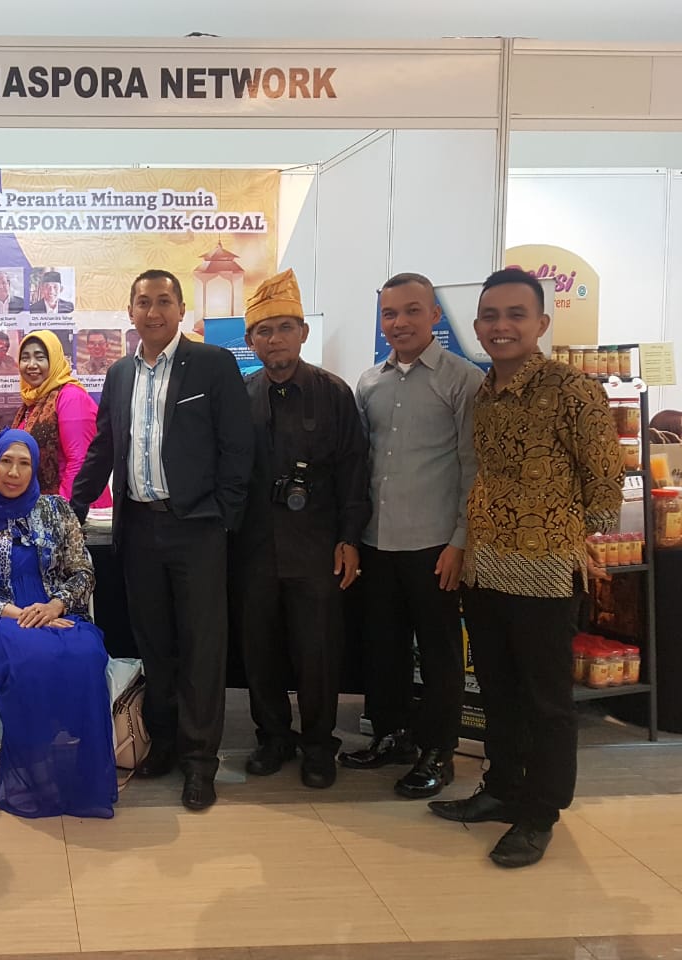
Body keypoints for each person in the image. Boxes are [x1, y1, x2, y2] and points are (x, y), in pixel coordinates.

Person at [430, 268, 623, 868]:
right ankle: (501, 788)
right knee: (498, 690)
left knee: (546, 701)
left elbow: (605, 484)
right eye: (490, 316)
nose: (501, 326)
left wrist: (566, 535)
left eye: (515, 315)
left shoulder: (573, 391)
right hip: (485, 569)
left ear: (540, 323)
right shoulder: (485, 391)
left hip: (544, 574)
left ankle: (540, 811)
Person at [72, 269, 252, 811]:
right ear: (131, 311)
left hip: (197, 528)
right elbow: (104, 448)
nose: (154, 312)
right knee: (155, 645)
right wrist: (72, 508)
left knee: (202, 647)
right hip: (139, 529)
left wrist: (224, 518)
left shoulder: (213, 364)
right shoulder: (120, 374)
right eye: (144, 302)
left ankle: (200, 762)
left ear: (180, 310)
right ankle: (164, 744)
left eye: (164, 302)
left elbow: (237, 448)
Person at [340, 272, 484, 800]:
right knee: (383, 647)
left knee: (440, 652)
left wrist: (460, 541)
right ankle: (391, 735)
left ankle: (438, 751)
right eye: (389, 313)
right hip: (378, 541)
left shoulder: (463, 380)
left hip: (434, 544)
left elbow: (472, 466)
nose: (399, 322)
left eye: (411, 311)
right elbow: (360, 466)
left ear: (435, 316)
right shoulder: (368, 383)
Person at [235, 268, 370, 790]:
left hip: (317, 548)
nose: (276, 339)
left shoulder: (333, 393)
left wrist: (350, 538)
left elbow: (355, 471)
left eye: (286, 328)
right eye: (264, 331)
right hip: (253, 549)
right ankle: (273, 738)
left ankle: (318, 744)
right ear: (251, 341)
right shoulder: (240, 395)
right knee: (260, 652)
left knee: (318, 653)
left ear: (304, 333)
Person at [0, 430, 117, 819]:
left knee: (87, 653)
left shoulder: (56, 510)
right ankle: (36, 775)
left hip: (57, 614)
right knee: (32, 658)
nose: (14, 472)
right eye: (6, 461)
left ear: (35, 468)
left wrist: (56, 605)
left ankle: (80, 776)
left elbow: (83, 571)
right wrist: (16, 612)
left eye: (24, 463)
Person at [11, 330, 111, 507]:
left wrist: (60, 512)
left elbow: (81, 462)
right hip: (42, 508)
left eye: (40, 357)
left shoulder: (71, 397)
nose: (31, 365)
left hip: (74, 507)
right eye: (25, 358)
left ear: (55, 360)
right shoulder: (33, 401)